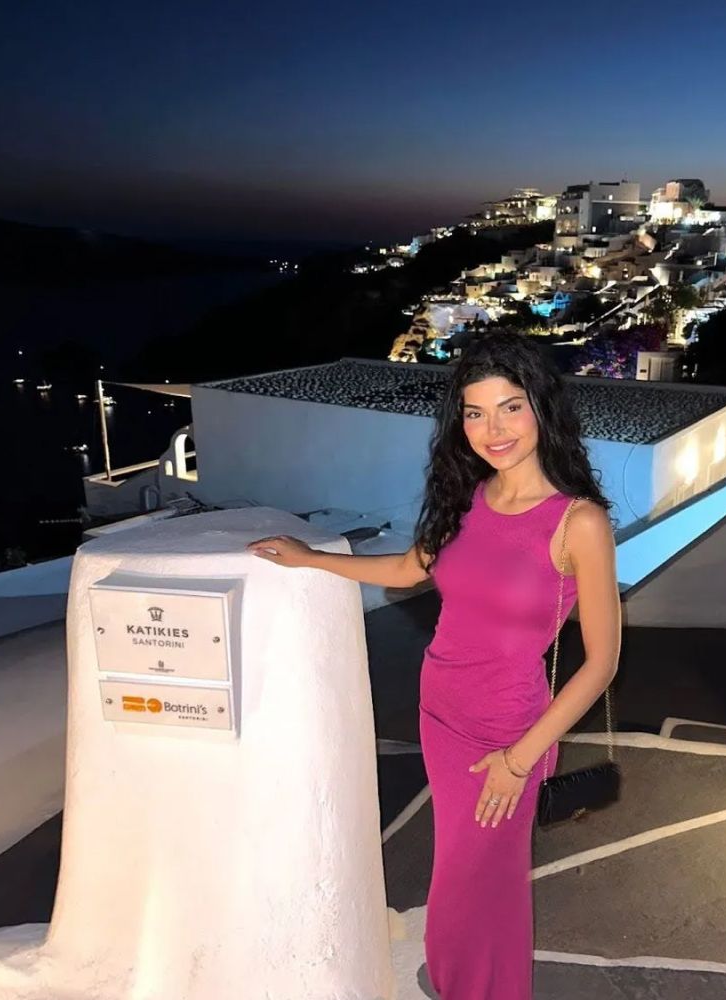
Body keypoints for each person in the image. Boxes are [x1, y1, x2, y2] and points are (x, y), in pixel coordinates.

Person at [246, 330, 621, 999]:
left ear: (541, 407)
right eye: (475, 413)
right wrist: (311, 558)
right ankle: (461, 986)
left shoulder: (578, 522)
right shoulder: (468, 497)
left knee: (477, 885)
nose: (492, 429)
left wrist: (519, 758)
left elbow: (600, 663)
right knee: (460, 873)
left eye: (509, 407)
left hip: (508, 733)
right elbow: (406, 568)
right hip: (440, 714)